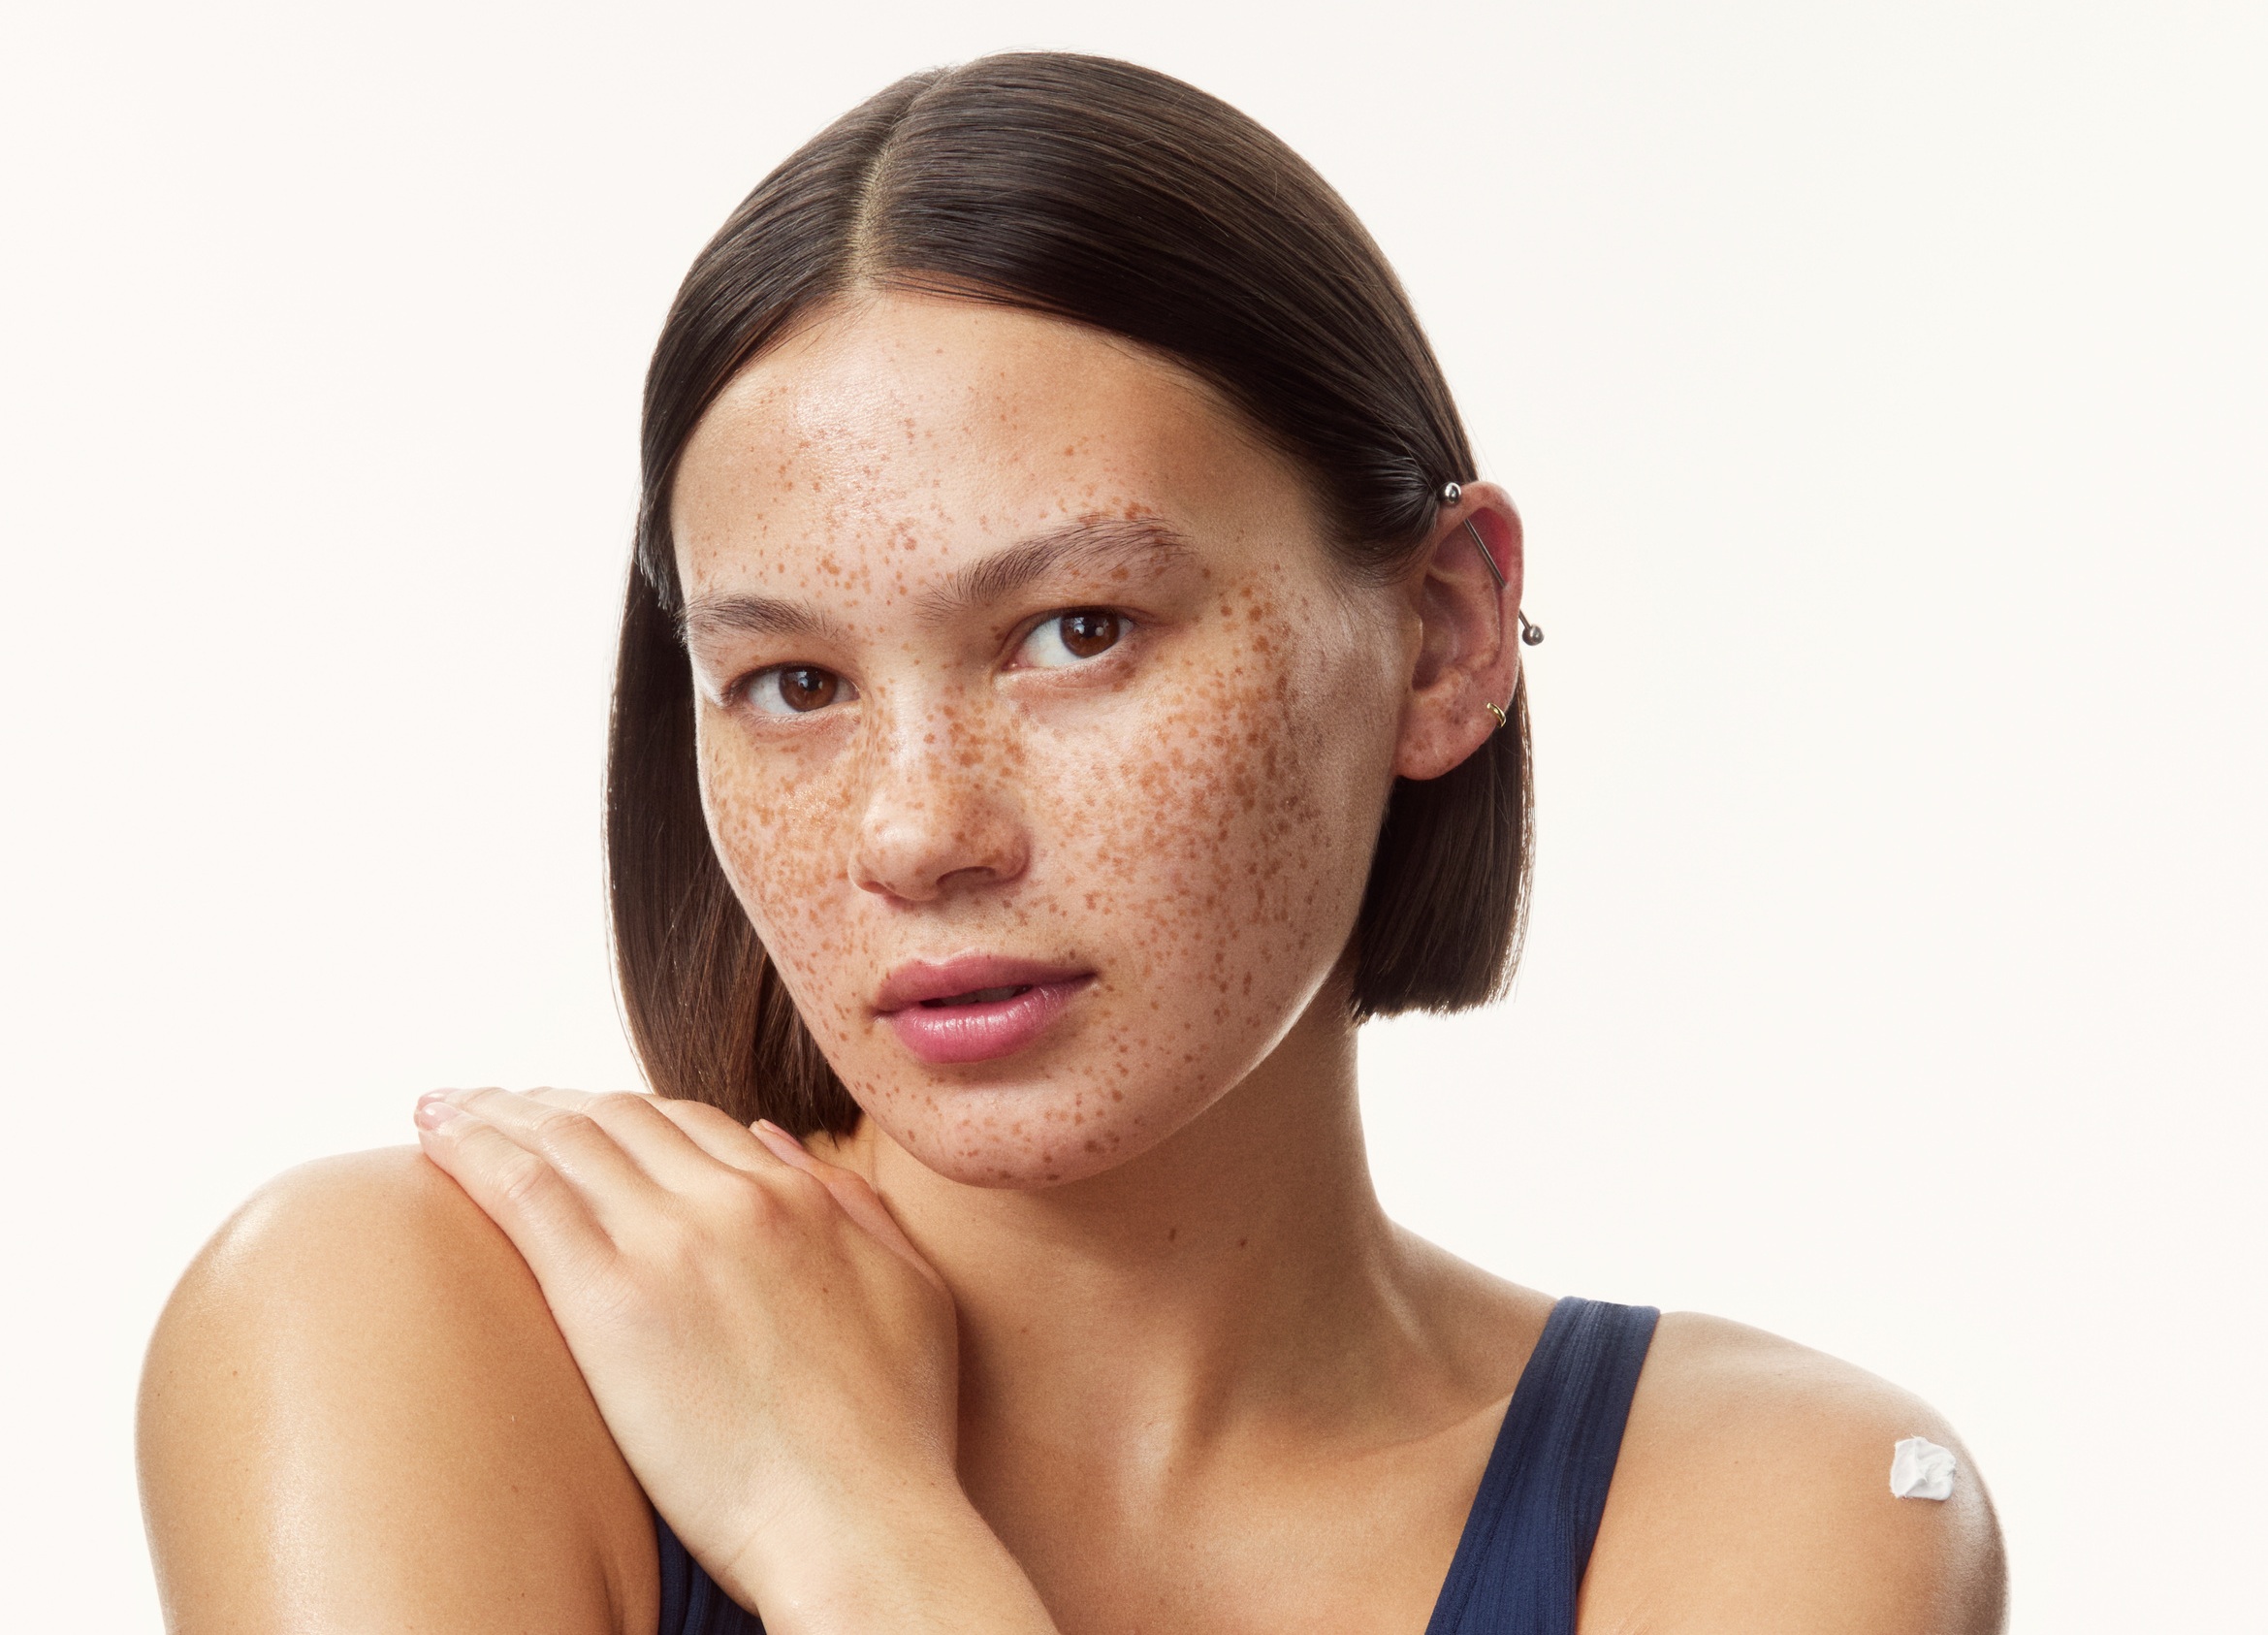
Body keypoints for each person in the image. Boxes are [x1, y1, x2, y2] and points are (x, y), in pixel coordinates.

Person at [136, 52, 2006, 1635]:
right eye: (791, 682)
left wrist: (857, 1531)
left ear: (1441, 633)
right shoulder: (407, 1326)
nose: (918, 829)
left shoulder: (1784, 1512)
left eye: (1075, 633)